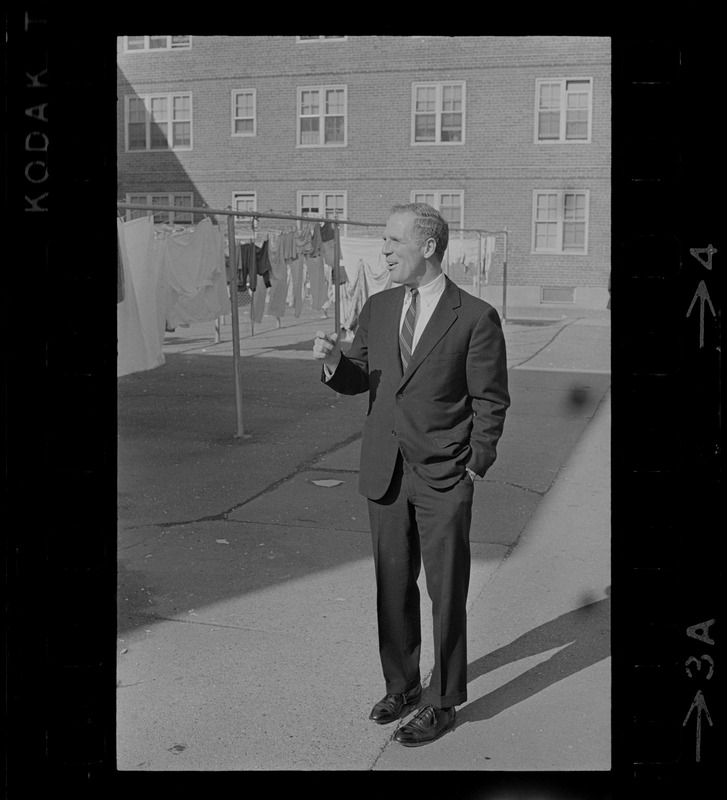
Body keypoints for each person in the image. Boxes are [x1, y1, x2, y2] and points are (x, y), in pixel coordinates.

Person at [312, 203, 510, 746]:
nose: (384, 250)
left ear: (428, 246)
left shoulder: (474, 315)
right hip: (385, 473)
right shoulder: (378, 307)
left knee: (446, 592)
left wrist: (475, 461)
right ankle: (400, 684)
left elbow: (491, 400)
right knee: (392, 585)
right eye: (384, 241)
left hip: (444, 474)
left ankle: (443, 700)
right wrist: (333, 363)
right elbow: (361, 379)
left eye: (394, 241)